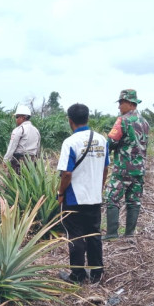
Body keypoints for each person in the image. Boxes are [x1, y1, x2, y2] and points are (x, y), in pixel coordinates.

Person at [56, 103, 109, 284]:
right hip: (94, 196)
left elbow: (67, 173)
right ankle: (96, 273)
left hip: (74, 197)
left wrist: (60, 193)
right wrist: (99, 188)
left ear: (70, 120)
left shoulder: (70, 142)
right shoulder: (102, 139)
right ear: (87, 118)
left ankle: (77, 276)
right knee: (94, 234)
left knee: (76, 236)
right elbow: (105, 168)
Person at [104, 89, 149, 240]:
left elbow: (111, 142)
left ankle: (111, 234)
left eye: (121, 103)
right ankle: (129, 234)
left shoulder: (122, 120)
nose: (119, 107)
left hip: (123, 168)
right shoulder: (145, 122)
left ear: (130, 103)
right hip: (140, 169)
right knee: (134, 200)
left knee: (112, 198)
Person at [2, 104, 41, 173]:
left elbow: (12, 146)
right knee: (29, 182)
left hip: (19, 161)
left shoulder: (19, 129)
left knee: (14, 181)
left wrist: (6, 160)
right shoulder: (36, 130)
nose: (16, 119)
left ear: (23, 117)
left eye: (17, 117)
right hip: (32, 161)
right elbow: (38, 148)